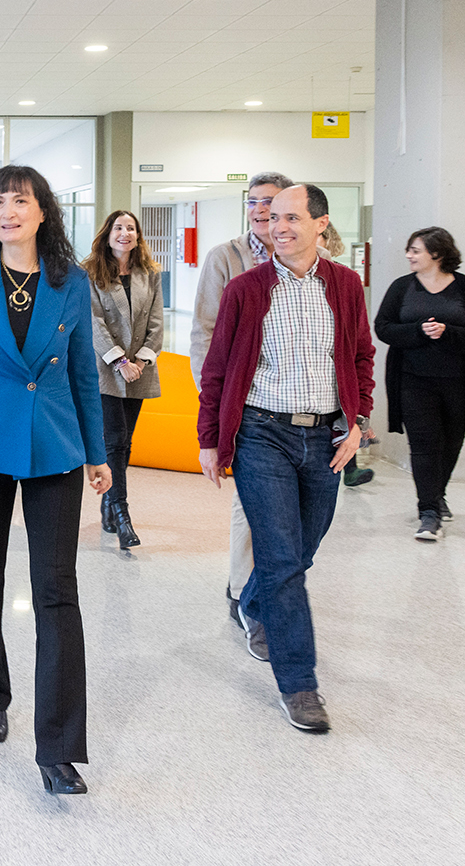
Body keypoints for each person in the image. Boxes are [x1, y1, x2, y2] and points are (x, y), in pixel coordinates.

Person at [0, 165, 112, 797]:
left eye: (22, 201)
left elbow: (84, 372)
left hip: (55, 449)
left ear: (42, 213)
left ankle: (58, 749)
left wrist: (98, 451)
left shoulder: (70, 281)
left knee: (56, 589)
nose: (9, 211)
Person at [197, 184, 374, 734]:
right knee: (280, 558)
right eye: (272, 218)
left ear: (321, 224)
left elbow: (362, 357)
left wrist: (359, 422)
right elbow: (219, 367)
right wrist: (210, 438)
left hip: (324, 439)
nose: (279, 227)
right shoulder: (247, 289)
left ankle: (251, 601)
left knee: (299, 552)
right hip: (262, 434)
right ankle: (300, 685)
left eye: (293, 218)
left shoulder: (345, 285)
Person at [190, 171, 292, 631]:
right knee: (249, 504)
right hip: (245, 401)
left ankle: (270, 585)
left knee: (294, 513)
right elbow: (204, 331)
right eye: (252, 202)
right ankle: (241, 589)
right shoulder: (225, 258)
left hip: (299, 400)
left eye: (268, 200)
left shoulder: (312, 260)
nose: (259, 209)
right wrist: (210, 397)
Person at [373, 227, 465, 541]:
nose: (409, 256)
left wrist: (448, 332)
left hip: (458, 381)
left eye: (416, 250)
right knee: (424, 445)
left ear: (437, 254)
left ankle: (437, 494)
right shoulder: (402, 288)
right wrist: (418, 330)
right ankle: (428, 512)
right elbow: (384, 328)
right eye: (409, 249)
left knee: (451, 442)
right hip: (412, 381)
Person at [82, 209, 163, 550]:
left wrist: (140, 360)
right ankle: (122, 511)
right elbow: (93, 321)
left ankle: (108, 503)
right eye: (118, 227)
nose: (125, 233)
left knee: (125, 441)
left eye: (131, 228)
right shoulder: (91, 272)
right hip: (106, 370)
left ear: (137, 235)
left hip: (139, 371)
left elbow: (157, 322)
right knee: (114, 441)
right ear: (108, 233)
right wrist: (119, 361)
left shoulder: (151, 273)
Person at [318, 222, 376, 491]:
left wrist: (362, 417)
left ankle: (349, 467)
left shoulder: (343, 280)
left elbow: (362, 350)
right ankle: (349, 469)